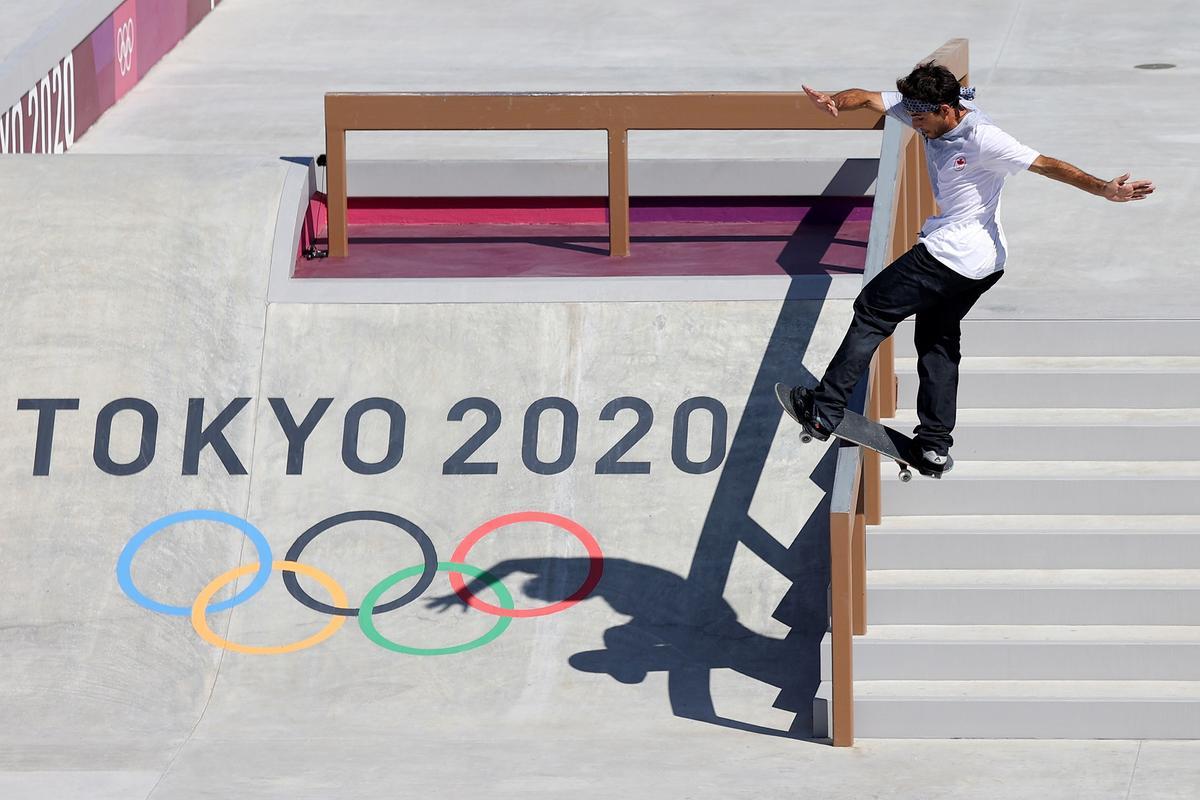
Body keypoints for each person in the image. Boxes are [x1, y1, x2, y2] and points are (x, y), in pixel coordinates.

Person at [781, 62, 1155, 474]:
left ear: (946, 109)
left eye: (922, 120)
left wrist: (1104, 189)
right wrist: (836, 100)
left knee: (873, 308)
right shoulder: (918, 108)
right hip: (983, 264)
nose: (917, 127)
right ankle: (934, 445)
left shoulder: (984, 137)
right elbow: (868, 98)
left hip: (952, 253)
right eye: (913, 118)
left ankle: (825, 409)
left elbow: (1047, 164)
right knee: (937, 339)